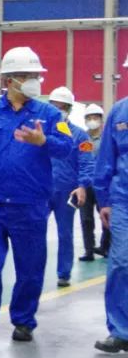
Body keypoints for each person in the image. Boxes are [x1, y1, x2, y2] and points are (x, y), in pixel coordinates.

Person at [0, 47, 72, 342]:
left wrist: (44, 141)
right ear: (9, 80)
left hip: (31, 204)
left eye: (36, 75)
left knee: (30, 267)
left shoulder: (50, 114)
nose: (34, 80)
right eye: (27, 75)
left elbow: (67, 148)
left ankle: (23, 320)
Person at [89, 84, 128, 354]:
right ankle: (121, 330)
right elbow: (106, 158)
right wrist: (103, 199)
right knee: (121, 262)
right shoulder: (119, 111)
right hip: (123, 199)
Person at [47, 87, 94, 287]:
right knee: (33, 232)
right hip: (41, 190)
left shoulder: (81, 137)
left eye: (63, 107)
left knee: (65, 233)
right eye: (55, 106)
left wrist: (82, 185)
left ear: (69, 109)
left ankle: (64, 273)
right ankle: (32, 271)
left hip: (67, 192)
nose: (59, 111)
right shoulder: (41, 133)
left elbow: (87, 162)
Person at [80, 103, 112, 261]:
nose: (92, 120)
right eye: (89, 118)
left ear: (101, 119)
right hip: (85, 185)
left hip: (102, 185)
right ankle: (89, 250)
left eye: (95, 117)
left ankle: (105, 247)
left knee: (106, 216)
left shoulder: (107, 138)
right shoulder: (82, 138)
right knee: (86, 219)